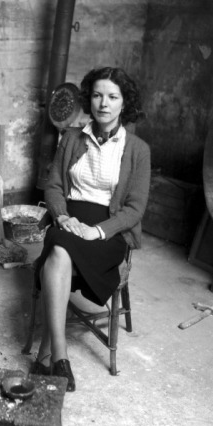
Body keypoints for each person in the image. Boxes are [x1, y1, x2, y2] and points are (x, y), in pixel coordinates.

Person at [32, 67, 151, 392]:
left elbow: (134, 210)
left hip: (109, 231)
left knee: (59, 253)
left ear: (124, 103)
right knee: (59, 245)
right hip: (69, 218)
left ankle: (47, 355)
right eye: (97, 95)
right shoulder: (71, 137)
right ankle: (61, 357)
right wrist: (62, 216)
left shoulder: (138, 150)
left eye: (113, 97)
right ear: (89, 98)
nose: (103, 103)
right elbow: (54, 187)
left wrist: (96, 231)